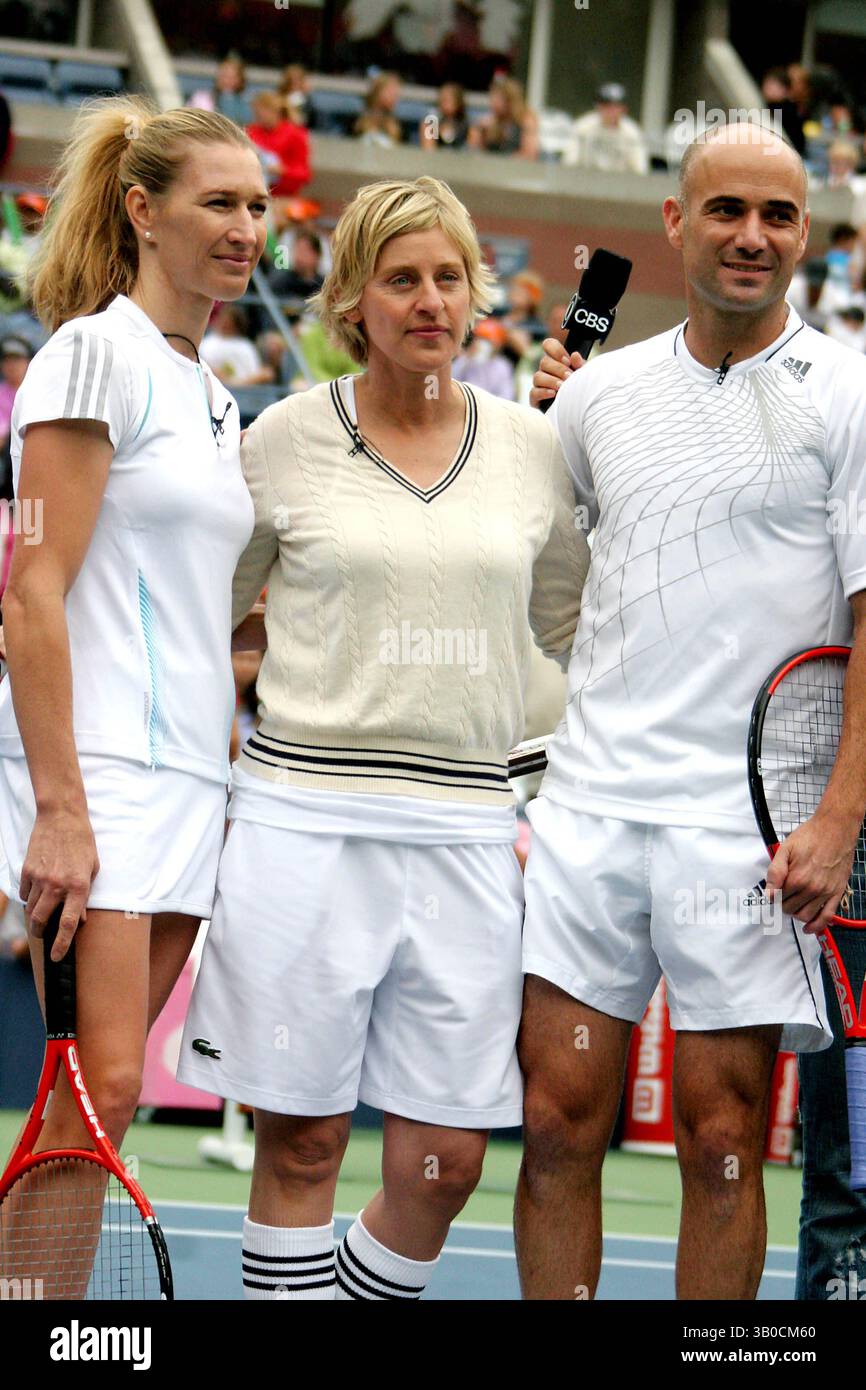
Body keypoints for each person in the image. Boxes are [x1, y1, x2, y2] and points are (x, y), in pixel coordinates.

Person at [176, 174, 590, 1301]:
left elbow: (569, 625)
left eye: (448, 277)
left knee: (443, 1160)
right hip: (301, 822)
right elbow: (209, 615)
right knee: (301, 1143)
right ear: (350, 299)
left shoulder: (532, 449)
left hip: (466, 831)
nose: (427, 300)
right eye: (399, 278)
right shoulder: (278, 439)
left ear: (475, 296)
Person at [519, 121, 866, 1300]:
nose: (749, 237)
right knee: (557, 1123)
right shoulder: (595, 395)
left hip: (745, 827)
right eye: (724, 210)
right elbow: (537, 573)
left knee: (721, 1142)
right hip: (590, 811)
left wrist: (835, 817)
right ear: (674, 222)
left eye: (775, 216)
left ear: (802, 234)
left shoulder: (849, 393)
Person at [0, 96, 269, 1295]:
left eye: (259, 205)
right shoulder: (90, 351)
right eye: (218, 201)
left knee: (94, 1100)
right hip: (99, 774)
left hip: (189, 787)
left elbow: (193, 606)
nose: (245, 226)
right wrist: (59, 807)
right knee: (97, 1088)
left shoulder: (214, 397)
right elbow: (31, 586)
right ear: (141, 208)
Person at [563, 82, 648, 175]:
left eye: (615, 106)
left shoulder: (632, 132)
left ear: (624, 109)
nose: (610, 111)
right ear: (598, 107)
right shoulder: (583, 127)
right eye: (606, 106)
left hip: (620, 184)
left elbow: (639, 169)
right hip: (586, 181)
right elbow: (570, 162)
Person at [247, 91, 311, 198]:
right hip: (254, 192)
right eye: (256, 114)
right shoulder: (251, 131)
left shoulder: (295, 134)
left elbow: (304, 173)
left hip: (284, 196)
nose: (258, 117)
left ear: (274, 111)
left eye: (260, 113)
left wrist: (282, 171)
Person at [201, 303, 274, 386]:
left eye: (229, 320)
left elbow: (255, 372)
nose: (225, 323)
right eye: (222, 318)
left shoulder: (245, 345)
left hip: (244, 390)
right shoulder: (206, 343)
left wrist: (235, 382)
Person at [469, 75, 538, 160]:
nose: (492, 103)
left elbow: (530, 155)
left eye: (497, 99)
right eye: (492, 98)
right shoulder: (493, 121)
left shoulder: (526, 120)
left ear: (510, 100)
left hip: (517, 169)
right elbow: (475, 150)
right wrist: (479, 132)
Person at [188, 53, 251, 127]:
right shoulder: (201, 98)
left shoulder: (247, 104)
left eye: (231, 77)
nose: (226, 80)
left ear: (240, 80)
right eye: (223, 75)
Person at [353, 72, 403, 148]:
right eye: (390, 92)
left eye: (396, 93)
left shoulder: (397, 124)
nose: (394, 96)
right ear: (378, 92)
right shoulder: (357, 118)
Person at [420, 83, 469, 152]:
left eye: (448, 100)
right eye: (442, 99)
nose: (443, 103)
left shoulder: (465, 124)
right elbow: (428, 149)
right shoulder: (431, 121)